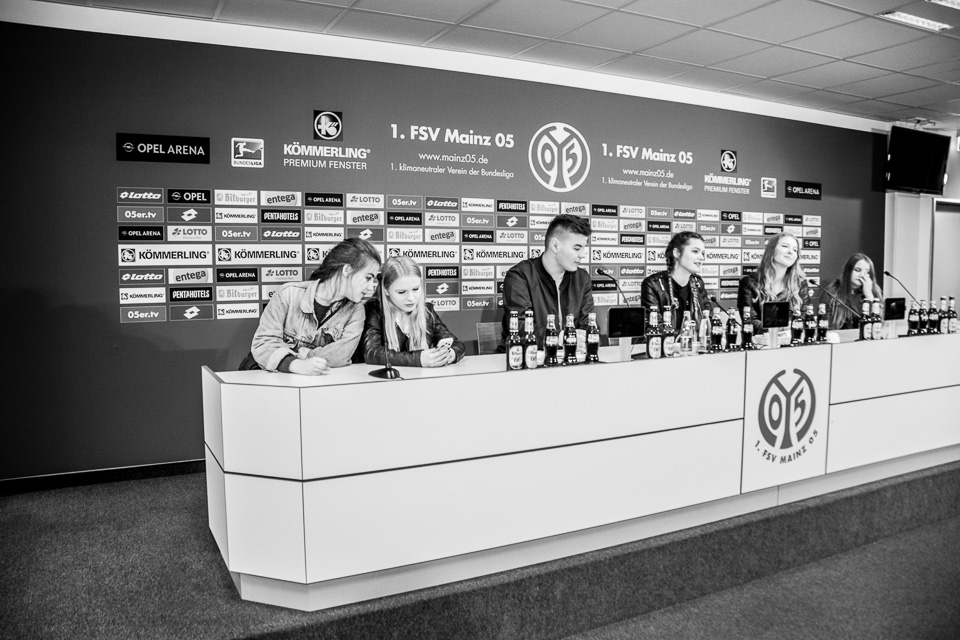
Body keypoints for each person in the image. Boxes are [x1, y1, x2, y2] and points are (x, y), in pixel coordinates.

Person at [246, 238, 381, 375]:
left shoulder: (356, 310)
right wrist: (296, 364)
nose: (371, 287)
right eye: (368, 278)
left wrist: (307, 356)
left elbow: (341, 355)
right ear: (347, 270)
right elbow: (263, 344)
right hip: (267, 381)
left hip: (315, 385)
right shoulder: (288, 294)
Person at [500, 213, 593, 349]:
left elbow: (587, 324)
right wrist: (560, 337)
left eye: (584, 248)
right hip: (524, 357)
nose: (583, 254)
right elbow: (519, 327)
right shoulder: (520, 276)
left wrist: (584, 338)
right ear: (555, 246)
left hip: (571, 356)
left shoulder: (582, 279)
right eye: (577, 248)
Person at [362, 256, 465, 367]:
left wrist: (451, 354)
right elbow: (372, 353)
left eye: (416, 289)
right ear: (386, 291)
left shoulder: (427, 311)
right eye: (402, 292)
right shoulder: (374, 310)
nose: (411, 298)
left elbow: (457, 344)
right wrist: (418, 359)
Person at [737, 232, 810, 334]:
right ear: (771, 250)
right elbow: (750, 322)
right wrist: (781, 329)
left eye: (795, 250)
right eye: (785, 246)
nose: (790, 252)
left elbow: (803, 319)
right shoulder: (749, 283)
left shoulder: (800, 284)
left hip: (791, 341)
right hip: (760, 341)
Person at [641, 231, 712, 333]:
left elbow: (708, 321)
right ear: (677, 253)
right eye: (695, 251)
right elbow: (656, 329)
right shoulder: (653, 284)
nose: (701, 257)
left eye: (703, 253)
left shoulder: (698, 283)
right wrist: (690, 335)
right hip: (666, 343)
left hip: (694, 342)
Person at [820, 252, 883, 329]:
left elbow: (881, 323)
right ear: (848, 271)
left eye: (867, 272)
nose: (862, 275)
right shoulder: (832, 292)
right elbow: (824, 323)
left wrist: (869, 296)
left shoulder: (874, 291)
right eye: (857, 270)